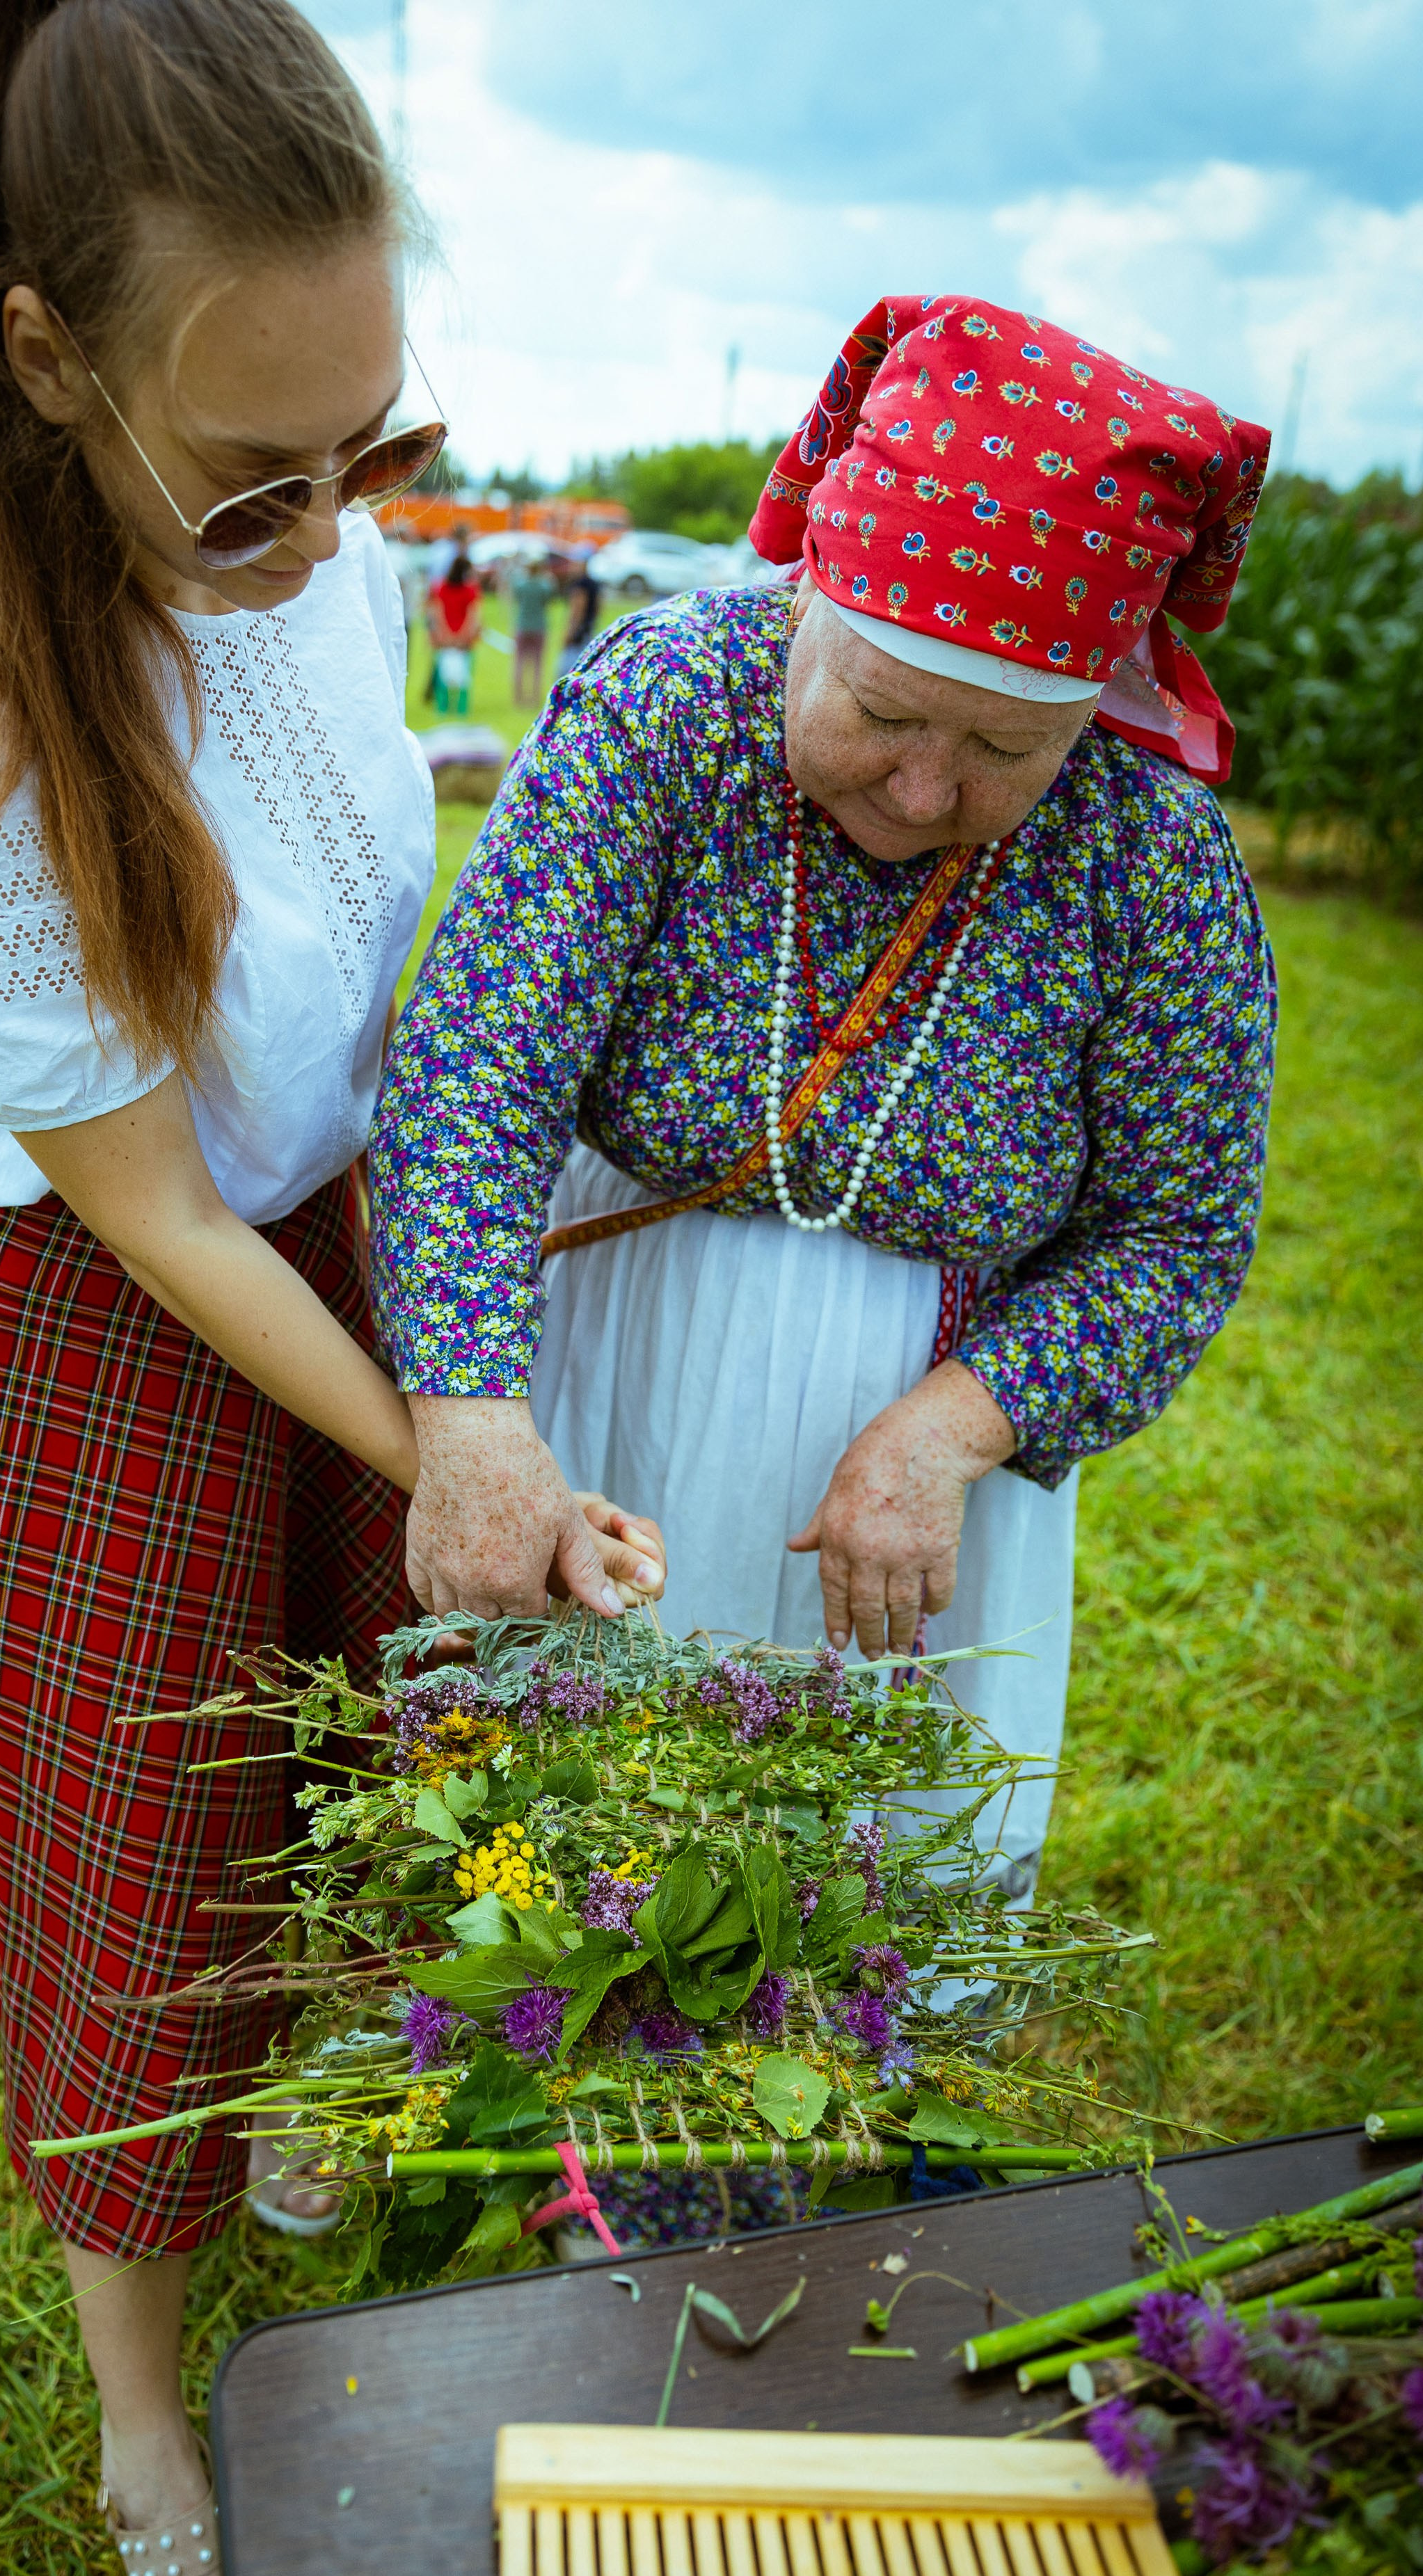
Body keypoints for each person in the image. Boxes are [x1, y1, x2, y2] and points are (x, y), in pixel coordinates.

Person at [0, 7, 658, 2576]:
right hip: (124, 1312)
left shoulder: (343, 560)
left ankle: (302, 2118)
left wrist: (467, 1364)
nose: (332, 536)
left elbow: (379, 1000)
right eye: (256, 486)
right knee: (137, 1874)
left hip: (342, 1255)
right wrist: (444, 1435)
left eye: (379, 452)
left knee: (354, 1764)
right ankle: (140, 2411)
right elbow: (159, 1209)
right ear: (42, 360)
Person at [369, 291, 1278, 1906]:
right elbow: (473, 1064)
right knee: (555, 1868)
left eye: (1001, 747)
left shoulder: (1148, 848)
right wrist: (469, 1411)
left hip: (921, 1454)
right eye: (877, 713)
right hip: (600, 1376)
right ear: (806, 607)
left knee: (842, 1910)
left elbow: (1174, 1231)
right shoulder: (669, 700)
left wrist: (956, 1425)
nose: (923, 790)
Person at [424, 544, 481, 713]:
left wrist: (445, 635)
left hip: (444, 638)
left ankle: (443, 707)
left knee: (444, 675)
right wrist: (462, 635)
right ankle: (461, 708)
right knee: (464, 677)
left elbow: (437, 614)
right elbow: (472, 616)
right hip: (463, 640)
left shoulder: (441, 588)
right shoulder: (470, 591)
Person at [508, 551, 552, 706]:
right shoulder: (544, 586)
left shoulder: (522, 585)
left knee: (519, 663)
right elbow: (549, 599)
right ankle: (534, 697)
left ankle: (518, 697)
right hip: (539, 627)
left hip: (523, 625)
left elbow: (516, 595)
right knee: (537, 665)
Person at [553, 545, 603, 676]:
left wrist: (569, 633)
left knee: (565, 673)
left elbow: (577, 611)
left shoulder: (580, 585)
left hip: (578, 636)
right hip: (589, 631)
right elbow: (598, 609)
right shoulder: (594, 584)